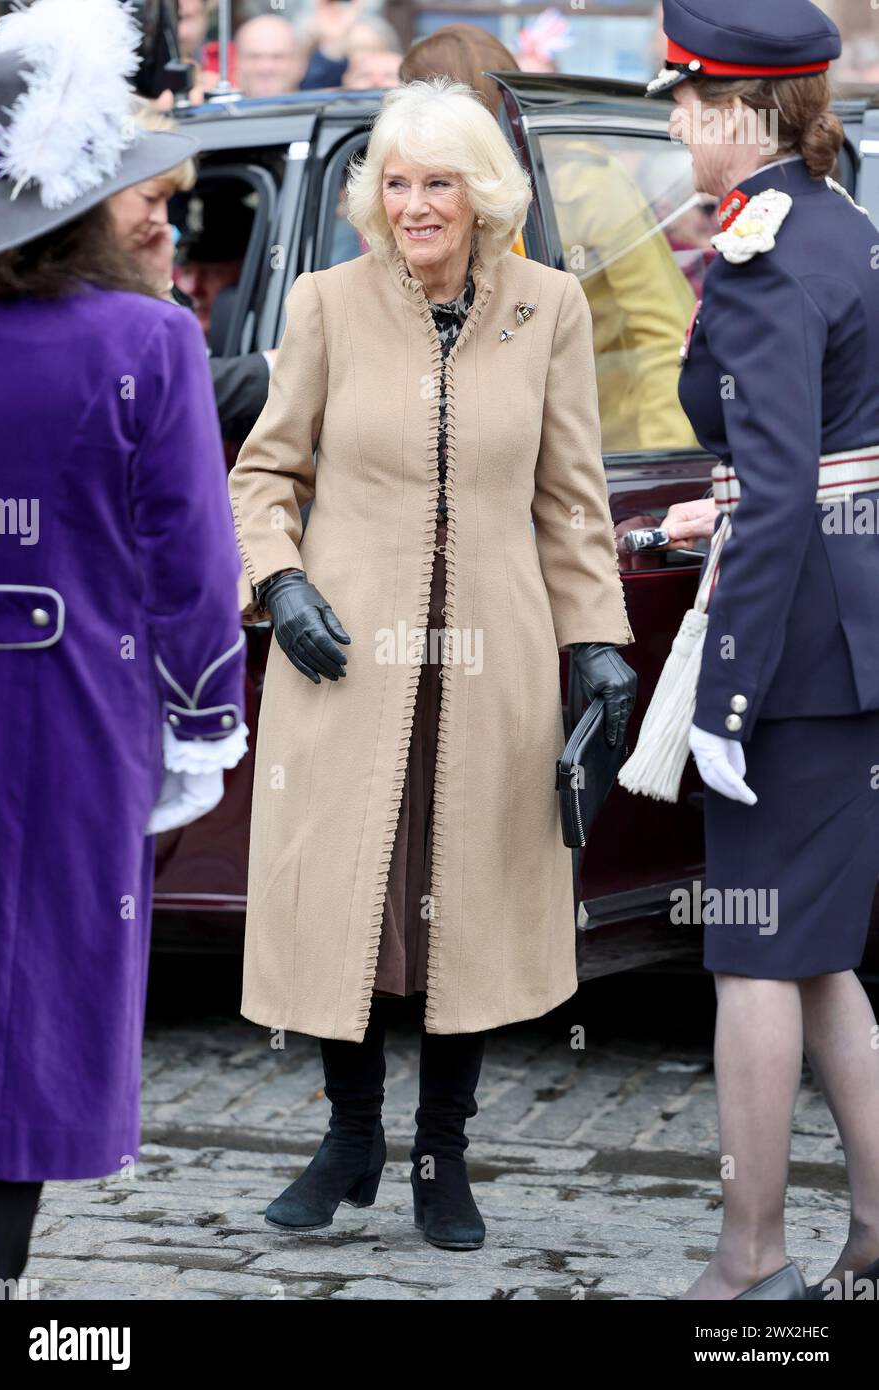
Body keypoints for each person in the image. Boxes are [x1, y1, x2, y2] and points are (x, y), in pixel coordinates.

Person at [228, 76, 636, 1251]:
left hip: (490, 664)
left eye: (437, 183)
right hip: (346, 659)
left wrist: (597, 641)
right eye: (396, 183)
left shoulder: (549, 307)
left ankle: (440, 1156)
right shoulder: (324, 305)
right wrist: (282, 580)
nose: (413, 205)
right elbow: (265, 477)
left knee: (471, 910)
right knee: (340, 901)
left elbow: (572, 501)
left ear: (483, 196)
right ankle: (347, 1136)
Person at [0, 0, 247, 1283]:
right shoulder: (150, 339)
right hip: (69, 726)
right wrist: (205, 721)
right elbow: (191, 565)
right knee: (31, 1007)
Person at [647, 0, 879, 1301]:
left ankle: (750, 1260)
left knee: (751, 949)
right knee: (822, 946)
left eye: (685, 99)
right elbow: (820, 461)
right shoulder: (845, 227)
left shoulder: (763, 255)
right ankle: (875, 1228)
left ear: (741, 107)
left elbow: (784, 487)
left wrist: (723, 695)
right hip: (851, 632)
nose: (677, 122)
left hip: (790, 654)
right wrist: (722, 496)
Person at [401, 23, 697, 452]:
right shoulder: (428, 202)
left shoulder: (585, 182)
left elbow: (665, 331)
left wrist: (655, 464)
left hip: (605, 447)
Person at [108, 111, 275, 441]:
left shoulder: (140, 274)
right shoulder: (72, 285)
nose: (160, 219)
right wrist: (269, 368)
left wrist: (158, 284)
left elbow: (174, 366)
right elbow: (144, 393)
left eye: (166, 201)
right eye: (150, 199)